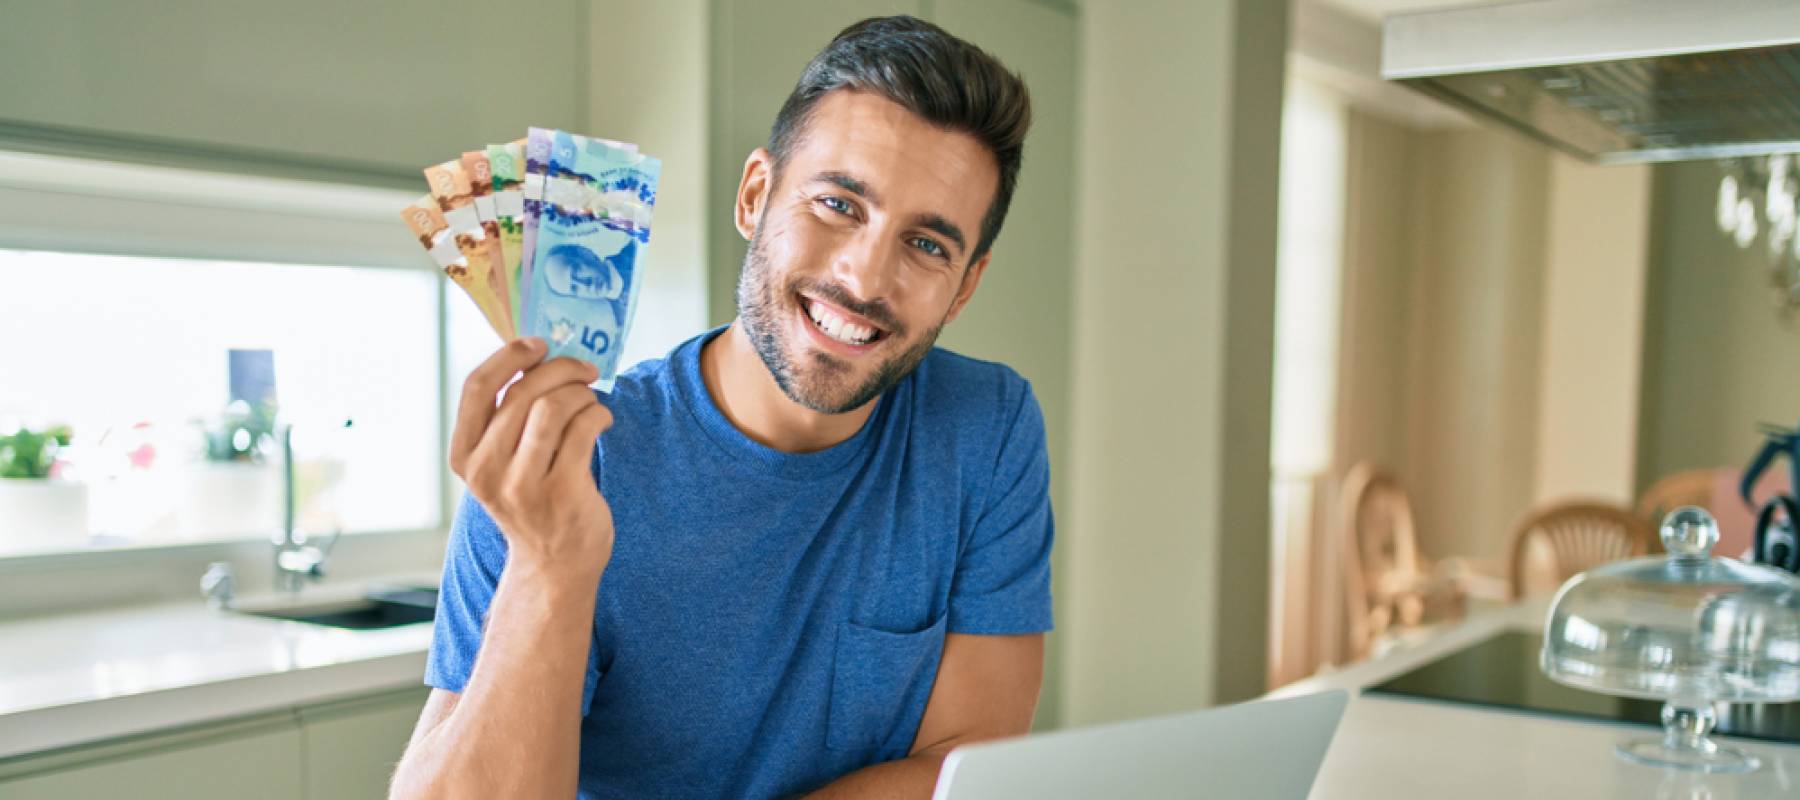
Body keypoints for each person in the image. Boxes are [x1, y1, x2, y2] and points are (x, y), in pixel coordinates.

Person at [390, 15, 1047, 799]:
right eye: (838, 205)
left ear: (966, 284)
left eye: (928, 245)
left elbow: (963, 764)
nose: (866, 278)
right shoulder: (564, 463)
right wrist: (549, 568)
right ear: (755, 196)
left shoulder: (987, 427)